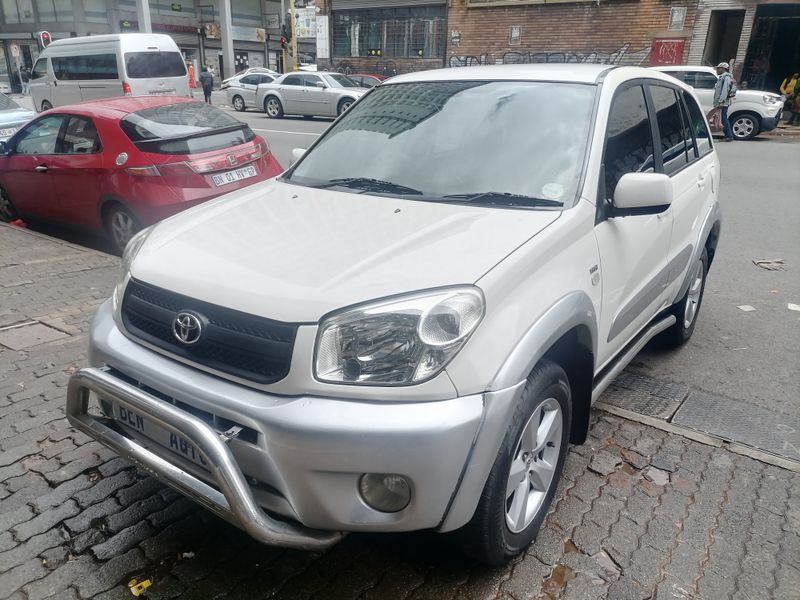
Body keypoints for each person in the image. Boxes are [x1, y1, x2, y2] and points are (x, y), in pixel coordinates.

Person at [713, 62, 735, 142]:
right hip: (722, 102)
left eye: (718, 68)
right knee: (723, 119)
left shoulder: (726, 78)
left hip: (723, 103)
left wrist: (720, 102)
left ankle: (729, 136)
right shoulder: (722, 77)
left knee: (724, 119)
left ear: (722, 69)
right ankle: (728, 135)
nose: (717, 70)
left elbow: (725, 90)